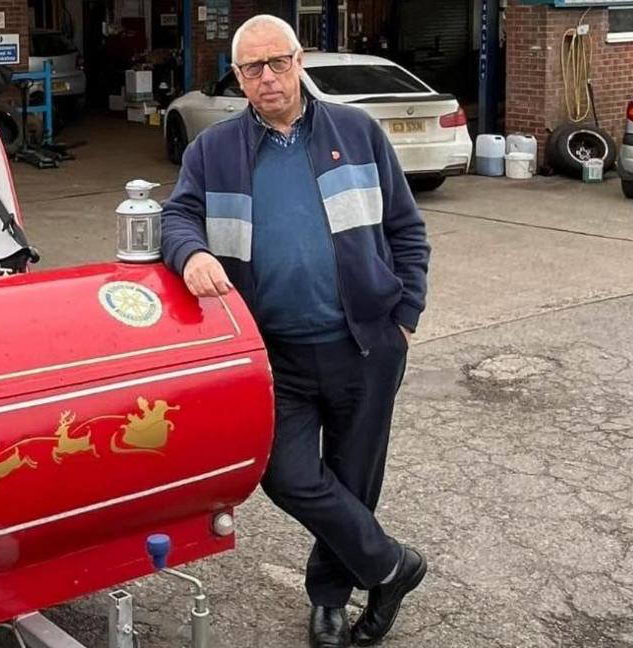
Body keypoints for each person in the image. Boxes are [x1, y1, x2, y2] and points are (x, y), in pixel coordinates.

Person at [159, 14, 431, 648]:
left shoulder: (357, 132)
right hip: (273, 353)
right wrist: (191, 253)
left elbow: (407, 231)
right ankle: (392, 567)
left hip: (364, 345)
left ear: (299, 60)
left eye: (277, 62)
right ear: (238, 77)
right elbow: (177, 217)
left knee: (354, 478)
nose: (268, 78)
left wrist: (407, 315)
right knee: (282, 473)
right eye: (252, 69)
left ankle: (331, 600)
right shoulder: (213, 150)